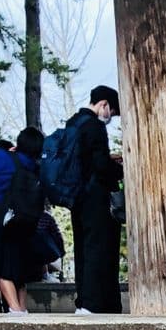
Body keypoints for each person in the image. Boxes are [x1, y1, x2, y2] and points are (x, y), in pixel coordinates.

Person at [0, 128, 46, 314]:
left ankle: (14, 310)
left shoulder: (2, 158)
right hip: (24, 224)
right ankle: (21, 308)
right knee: (18, 270)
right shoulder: (36, 167)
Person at [67, 85, 123, 314]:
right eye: (112, 111)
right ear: (104, 104)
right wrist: (117, 169)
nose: (111, 117)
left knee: (83, 248)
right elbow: (99, 166)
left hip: (76, 196)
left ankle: (84, 300)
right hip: (95, 196)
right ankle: (95, 303)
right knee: (98, 250)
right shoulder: (94, 127)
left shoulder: (74, 123)